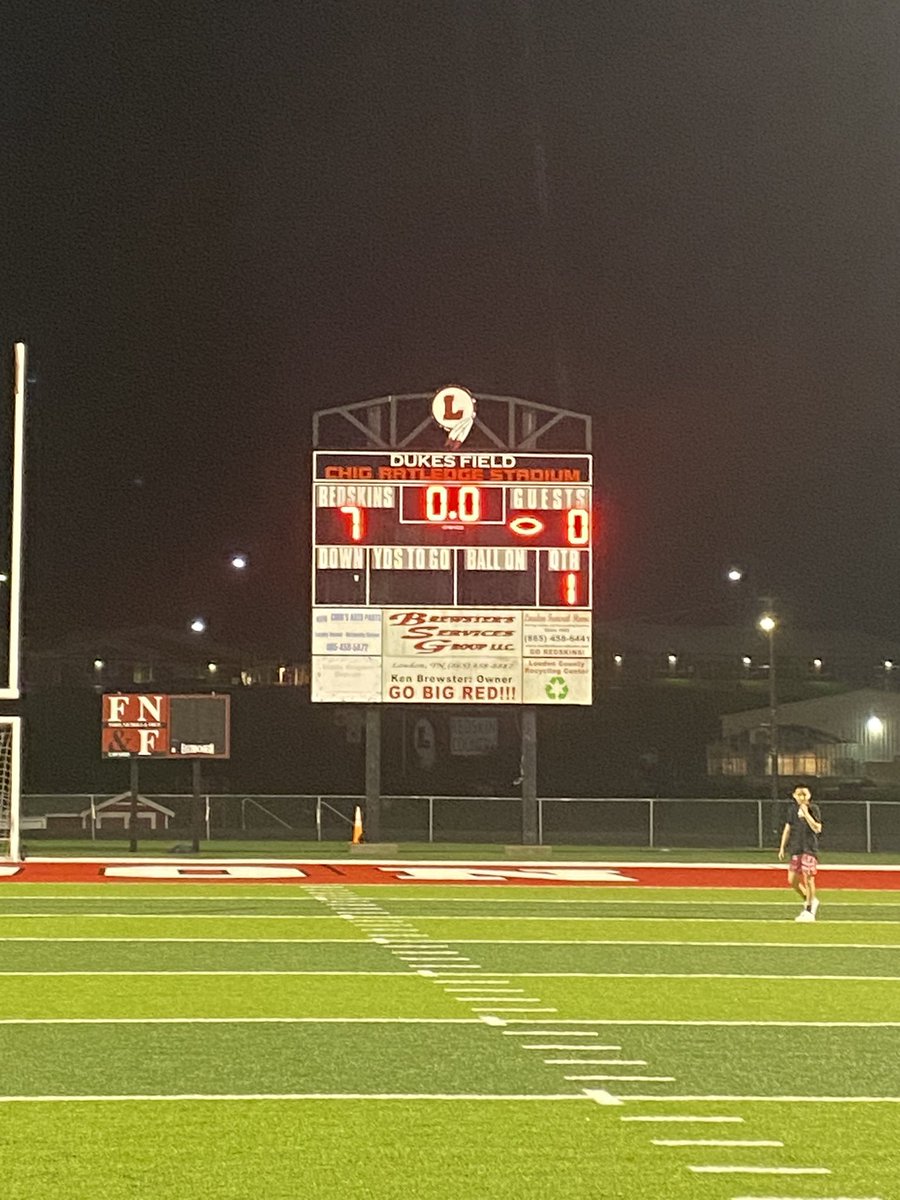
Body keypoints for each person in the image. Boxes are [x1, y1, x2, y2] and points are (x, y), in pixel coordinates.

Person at [778, 785, 823, 922]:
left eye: (804, 795)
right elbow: (788, 828)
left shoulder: (813, 808)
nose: (802, 797)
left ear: (809, 796)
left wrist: (806, 814)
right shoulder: (792, 810)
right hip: (796, 848)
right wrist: (782, 847)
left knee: (808, 878)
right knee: (792, 880)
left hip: (809, 848)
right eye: (799, 795)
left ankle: (809, 911)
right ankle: (810, 900)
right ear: (794, 796)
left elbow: (817, 828)